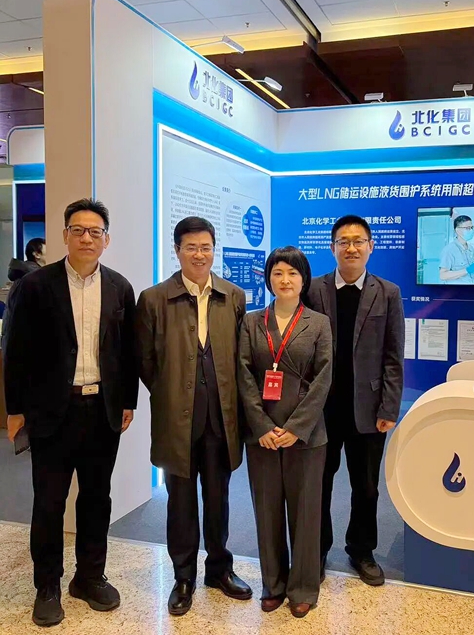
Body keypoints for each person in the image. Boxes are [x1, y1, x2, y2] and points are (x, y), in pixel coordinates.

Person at [4, 199, 138, 628]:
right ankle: (47, 586)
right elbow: (15, 351)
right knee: (49, 502)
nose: (86, 238)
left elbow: (127, 352)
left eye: (95, 232)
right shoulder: (35, 286)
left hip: (102, 410)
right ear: (65, 235)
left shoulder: (119, 287)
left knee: (97, 499)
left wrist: (128, 401)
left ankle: (89, 577)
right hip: (50, 412)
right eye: (78, 230)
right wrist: (14, 410)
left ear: (106, 240)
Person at [136, 216, 252, 617]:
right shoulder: (154, 299)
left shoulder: (233, 296)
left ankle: (219, 569)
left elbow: (240, 358)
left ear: (213, 250)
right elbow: (145, 362)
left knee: (219, 500)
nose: (199, 255)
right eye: (191, 248)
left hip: (221, 419)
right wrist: (173, 393)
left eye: (206, 247)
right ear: (177, 250)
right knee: (180, 504)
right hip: (177, 422)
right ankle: (183, 577)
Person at [306, 215, 405, 587]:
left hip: (368, 409)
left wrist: (389, 407)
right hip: (322, 409)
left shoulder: (388, 292)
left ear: (370, 246)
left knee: (366, 486)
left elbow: (393, 355)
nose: (351, 248)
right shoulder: (312, 290)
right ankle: (316, 550)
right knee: (319, 483)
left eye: (358, 241)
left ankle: (361, 550)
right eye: (343, 241)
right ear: (332, 247)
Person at [238, 247, 332, 618]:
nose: (285, 280)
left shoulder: (319, 323)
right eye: (278, 273)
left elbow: (323, 379)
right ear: (269, 279)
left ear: (304, 279)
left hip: (306, 436)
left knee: (306, 513)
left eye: (293, 273)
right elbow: (244, 375)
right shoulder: (251, 322)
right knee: (267, 510)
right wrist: (261, 425)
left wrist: (295, 428)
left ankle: (303, 587)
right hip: (261, 435)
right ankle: (273, 584)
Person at [439, 215, 474, 283]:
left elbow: (471, 271)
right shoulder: (449, 250)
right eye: (468, 228)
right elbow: (443, 275)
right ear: (457, 230)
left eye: (472, 227)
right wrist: (467, 270)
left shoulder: (470, 248)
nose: (471, 230)